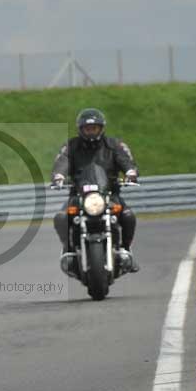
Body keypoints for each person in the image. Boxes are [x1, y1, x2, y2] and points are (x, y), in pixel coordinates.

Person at [51, 108, 140, 273]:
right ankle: (69, 250)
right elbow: (62, 162)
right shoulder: (71, 146)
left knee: (128, 216)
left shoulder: (114, 145)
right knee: (61, 217)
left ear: (101, 128)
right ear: (81, 129)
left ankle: (126, 250)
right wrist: (58, 176)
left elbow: (125, 160)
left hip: (109, 194)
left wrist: (130, 172)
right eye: (87, 129)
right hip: (79, 196)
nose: (91, 132)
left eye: (94, 128)